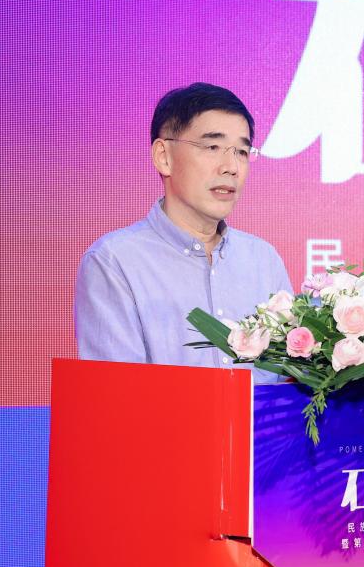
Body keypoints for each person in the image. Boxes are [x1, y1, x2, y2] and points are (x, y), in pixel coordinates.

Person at [75, 82, 291, 383]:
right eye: (212, 147)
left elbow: (292, 380)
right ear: (164, 157)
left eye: (242, 151)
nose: (231, 167)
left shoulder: (263, 260)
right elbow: (117, 393)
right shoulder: (114, 262)